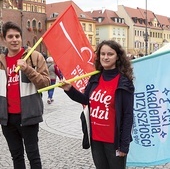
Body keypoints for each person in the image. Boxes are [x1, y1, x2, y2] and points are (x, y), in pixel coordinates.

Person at [60, 40, 134, 169]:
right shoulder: (95, 78)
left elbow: (128, 115)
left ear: (117, 57)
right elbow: (85, 100)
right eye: (103, 54)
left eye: (110, 54)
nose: (105, 57)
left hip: (114, 141)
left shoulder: (124, 82)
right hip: (96, 138)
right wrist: (69, 89)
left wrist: (124, 145)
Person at [0, 21, 50, 169]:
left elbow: (45, 83)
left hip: (28, 114)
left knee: (33, 156)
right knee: (16, 156)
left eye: (17, 36)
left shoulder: (34, 56)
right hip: (7, 118)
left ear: (21, 38)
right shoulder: (1, 60)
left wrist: (28, 69)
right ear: (4, 39)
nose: (14, 39)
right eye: (10, 36)